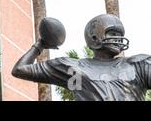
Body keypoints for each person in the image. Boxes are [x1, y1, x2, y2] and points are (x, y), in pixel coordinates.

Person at [12, 14, 151, 101]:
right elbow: (20, 69)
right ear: (94, 36)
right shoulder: (74, 68)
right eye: (112, 33)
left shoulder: (138, 65)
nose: (118, 39)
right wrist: (40, 45)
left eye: (120, 34)